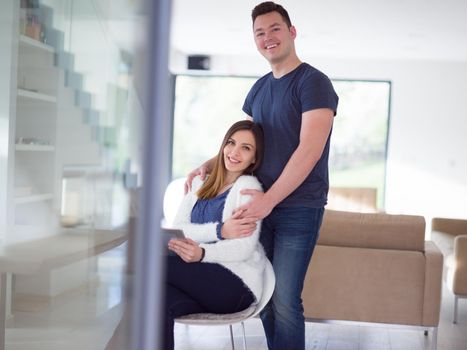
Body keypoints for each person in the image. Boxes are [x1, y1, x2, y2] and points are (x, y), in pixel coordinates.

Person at [185, 2, 339, 349]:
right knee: (264, 295)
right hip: (258, 206)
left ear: (291, 32)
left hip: (297, 207)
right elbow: (246, 140)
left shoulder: (314, 83)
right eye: (260, 33)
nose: (267, 38)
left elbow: (309, 151)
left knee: (285, 300)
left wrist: (270, 201)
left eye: (275, 29)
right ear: (254, 40)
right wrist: (209, 165)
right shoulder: (259, 88)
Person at [164, 120, 267, 350]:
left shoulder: (248, 188)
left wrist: (202, 253)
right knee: (156, 301)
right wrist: (220, 230)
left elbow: (243, 248)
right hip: (198, 281)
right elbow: (179, 227)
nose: (235, 152)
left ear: (254, 158)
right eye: (231, 143)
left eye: (246, 148)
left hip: (235, 285)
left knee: (153, 264)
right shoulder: (201, 183)